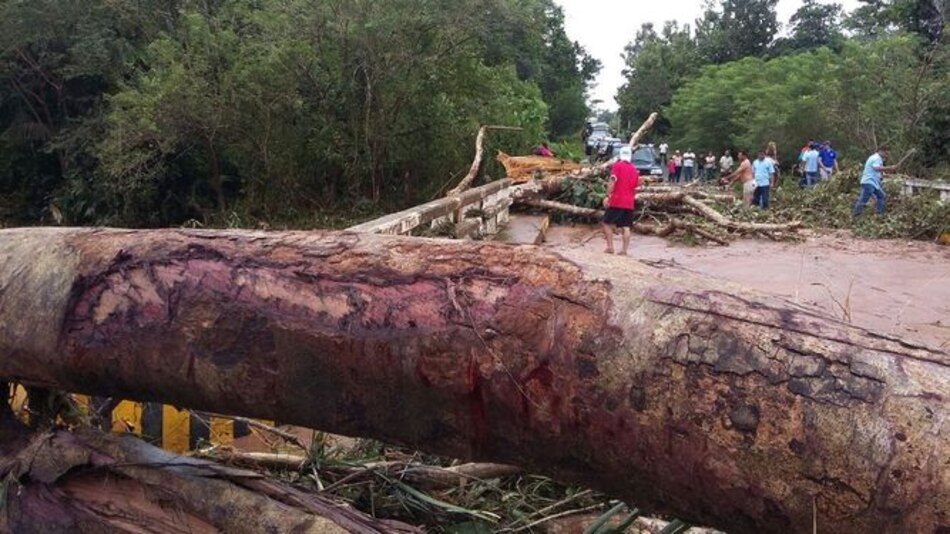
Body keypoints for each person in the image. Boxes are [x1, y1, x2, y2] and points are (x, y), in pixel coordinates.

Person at [602, 146, 640, 255]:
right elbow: (635, 187)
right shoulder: (634, 170)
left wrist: (607, 196)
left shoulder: (617, 166)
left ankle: (610, 247)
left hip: (617, 200)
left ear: (620, 155)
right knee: (626, 226)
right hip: (629, 202)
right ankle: (624, 250)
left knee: (606, 222)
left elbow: (612, 181)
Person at [853, 145, 897, 217]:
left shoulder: (879, 159)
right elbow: (877, 168)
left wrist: (886, 175)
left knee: (881, 196)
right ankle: (855, 216)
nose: (886, 156)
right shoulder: (876, 158)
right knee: (864, 199)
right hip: (869, 182)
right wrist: (890, 168)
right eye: (886, 154)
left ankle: (879, 215)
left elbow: (878, 171)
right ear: (881, 151)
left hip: (874, 183)